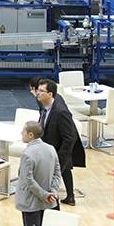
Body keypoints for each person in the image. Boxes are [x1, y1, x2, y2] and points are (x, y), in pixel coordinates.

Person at [36, 78, 86, 207]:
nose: (37, 93)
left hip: (57, 154)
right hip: (48, 151)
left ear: (50, 94)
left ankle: (54, 207)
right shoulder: (43, 105)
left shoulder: (60, 111)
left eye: (41, 91)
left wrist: (61, 159)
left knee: (52, 186)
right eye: (37, 90)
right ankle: (67, 198)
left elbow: (69, 138)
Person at [15, 121, 61, 226]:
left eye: (24, 131)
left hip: (31, 204)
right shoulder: (51, 148)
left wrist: (45, 195)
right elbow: (57, 172)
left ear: (30, 135)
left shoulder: (27, 154)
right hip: (50, 201)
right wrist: (53, 191)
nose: (21, 133)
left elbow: (28, 180)